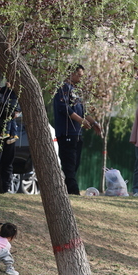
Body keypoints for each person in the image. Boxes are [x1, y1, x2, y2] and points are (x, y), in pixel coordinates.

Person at [53, 64, 102, 195]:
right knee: (69, 166)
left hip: (77, 134)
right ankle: (73, 193)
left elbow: (83, 111)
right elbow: (64, 109)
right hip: (67, 133)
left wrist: (94, 122)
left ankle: (66, 191)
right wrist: (81, 120)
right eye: (79, 75)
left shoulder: (76, 91)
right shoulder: (63, 88)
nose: (81, 78)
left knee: (75, 165)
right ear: (71, 74)